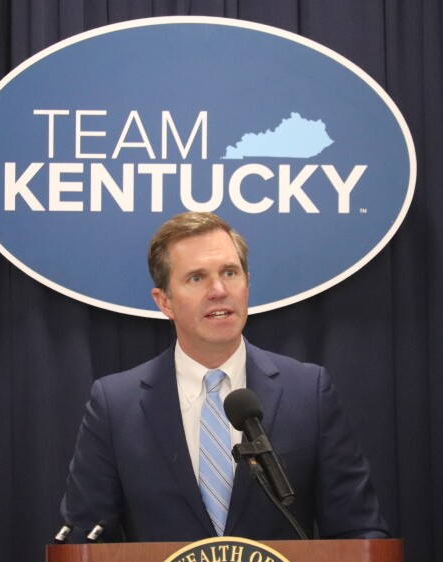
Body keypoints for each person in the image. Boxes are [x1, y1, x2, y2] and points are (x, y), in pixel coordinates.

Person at [59, 211, 389, 542]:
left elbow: (358, 531)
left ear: (247, 284)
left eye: (230, 273)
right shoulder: (115, 406)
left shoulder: (308, 392)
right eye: (196, 278)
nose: (218, 290)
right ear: (165, 302)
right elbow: (85, 542)